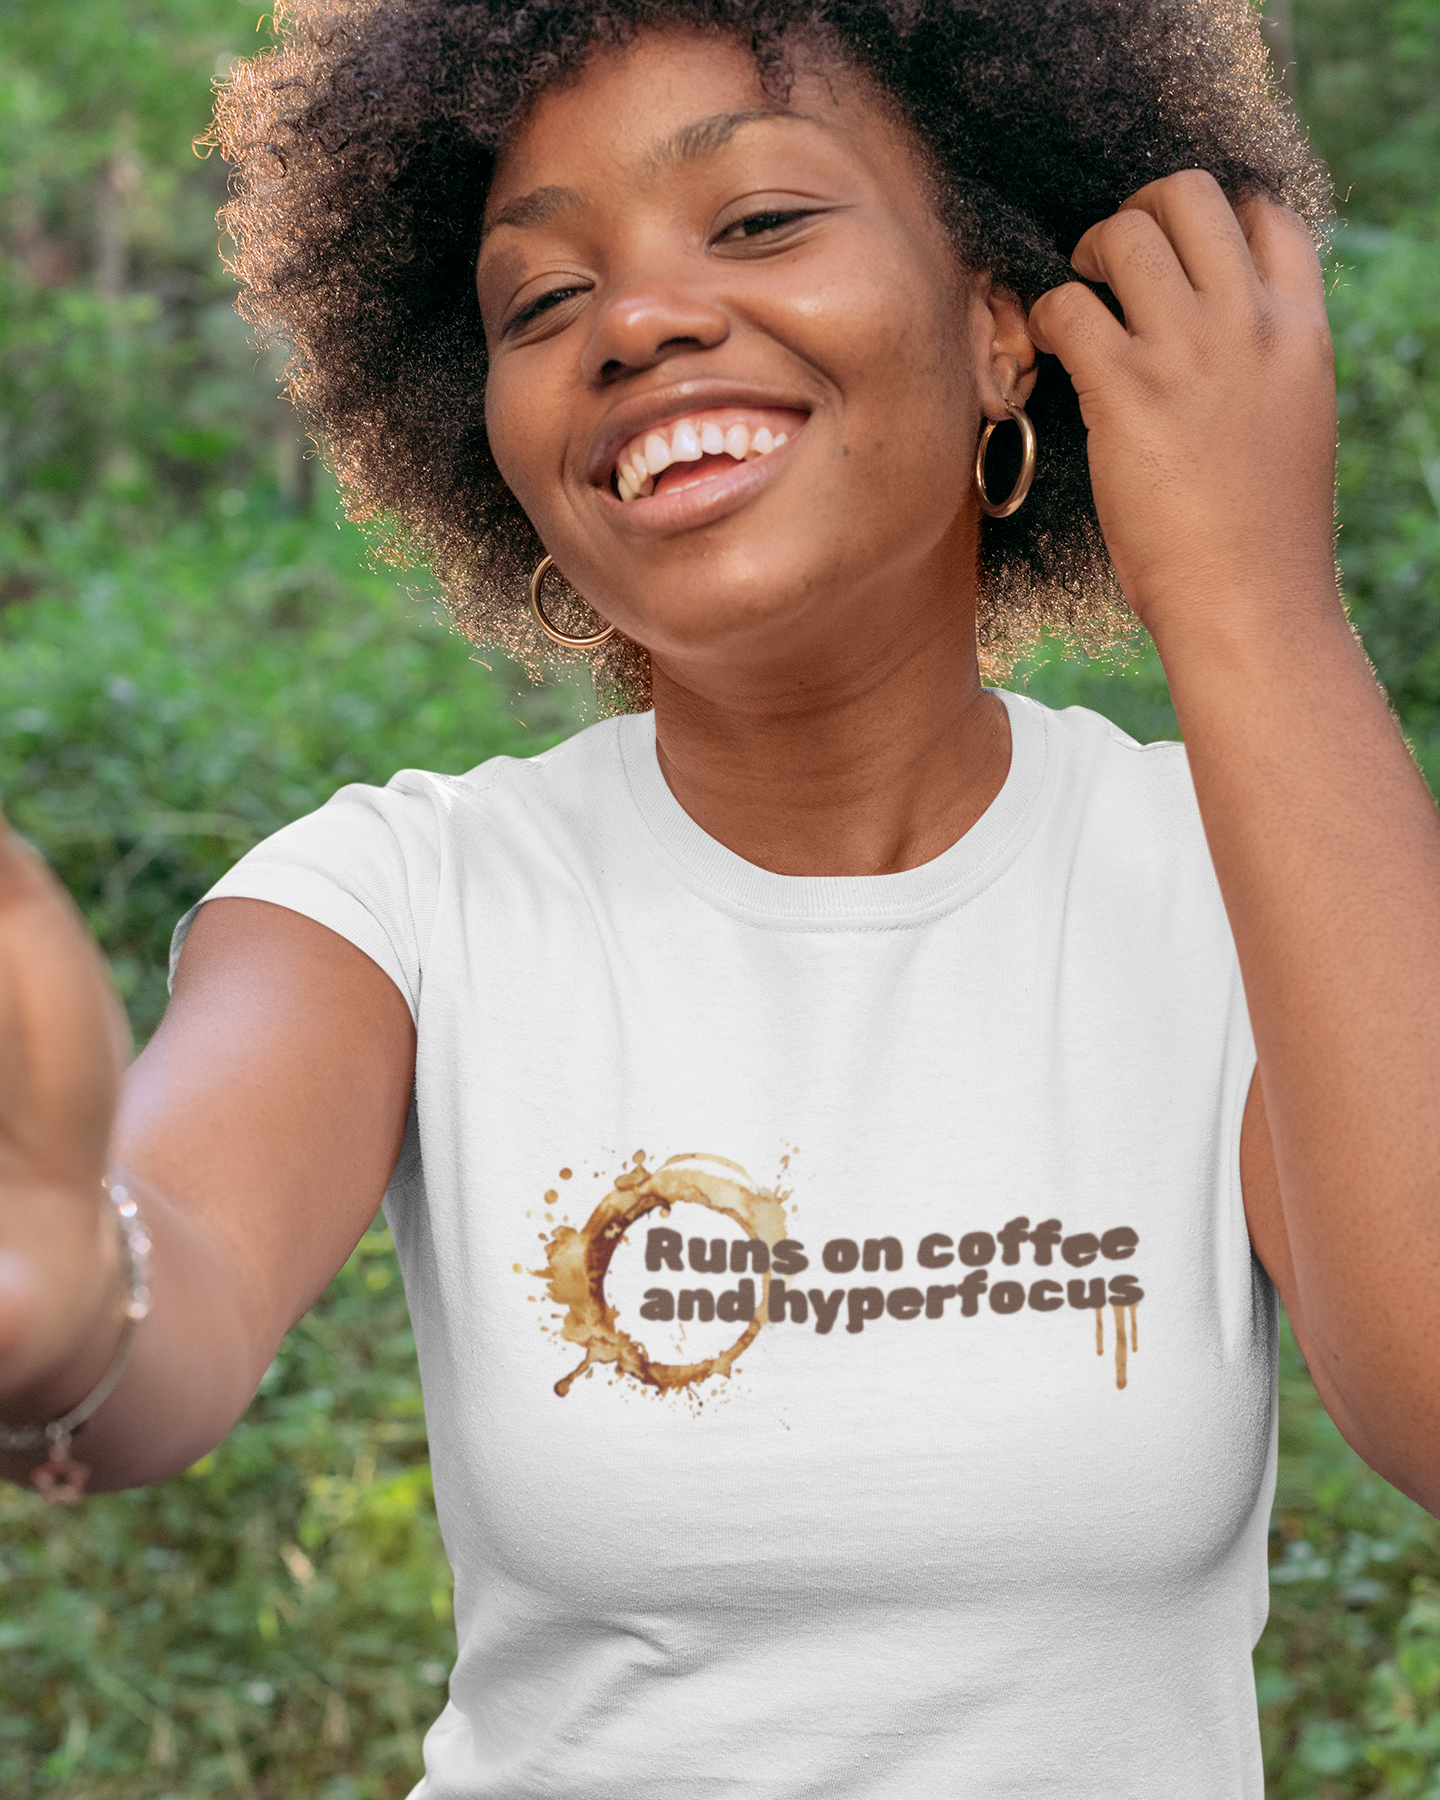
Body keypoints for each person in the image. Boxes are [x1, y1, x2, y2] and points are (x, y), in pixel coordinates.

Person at [3, 0, 1439, 1792]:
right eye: (538, 301)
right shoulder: (400, 895)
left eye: (758, 221)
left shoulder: (1231, 874)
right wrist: (70, 1294)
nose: (638, 320)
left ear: (1005, 329)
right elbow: (182, 1262)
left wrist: (1254, 603)